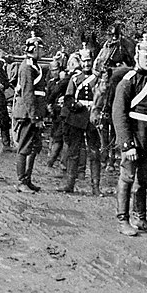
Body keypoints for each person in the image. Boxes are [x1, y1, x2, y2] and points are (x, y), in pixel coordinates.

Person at [112, 35, 147, 236]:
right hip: (133, 138)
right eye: (146, 57)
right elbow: (119, 113)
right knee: (127, 177)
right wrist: (127, 144)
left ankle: (140, 218)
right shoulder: (128, 81)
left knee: (143, 179)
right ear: (136, 56)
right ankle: (123, 219)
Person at [57, 45, 103, 196]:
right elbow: (69, 98)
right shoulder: (75, 78)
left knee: (94, 152)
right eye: (84, 61)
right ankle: (70, 183)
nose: (86, 64)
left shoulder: (98, 79)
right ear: (80, 62)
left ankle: (95, 186)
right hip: (77, 117)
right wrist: (75, 105)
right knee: (74, 151)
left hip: (92, 118)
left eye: (89, 61)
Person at [12, 33, 47, 193]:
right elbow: (28, 94)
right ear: (35, 49)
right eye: (41, 48)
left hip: (34, 113)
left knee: (34, 147)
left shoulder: (34, 65)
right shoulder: (27, 67)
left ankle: (27, 179)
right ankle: (21, 181)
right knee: (25, 147)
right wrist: (35, 117)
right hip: (27, 114)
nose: (43, 51)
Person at [46, 55, 71, 169]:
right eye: (52, 71)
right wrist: (49, 107)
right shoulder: (51, 83)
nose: (55, 72)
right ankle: (52, 159)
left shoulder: (65, 81)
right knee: (55, 135)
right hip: (55, 112)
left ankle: (60, 162)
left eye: (56, 70)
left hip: (64, 111)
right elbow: (48, 97)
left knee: (63, 137)